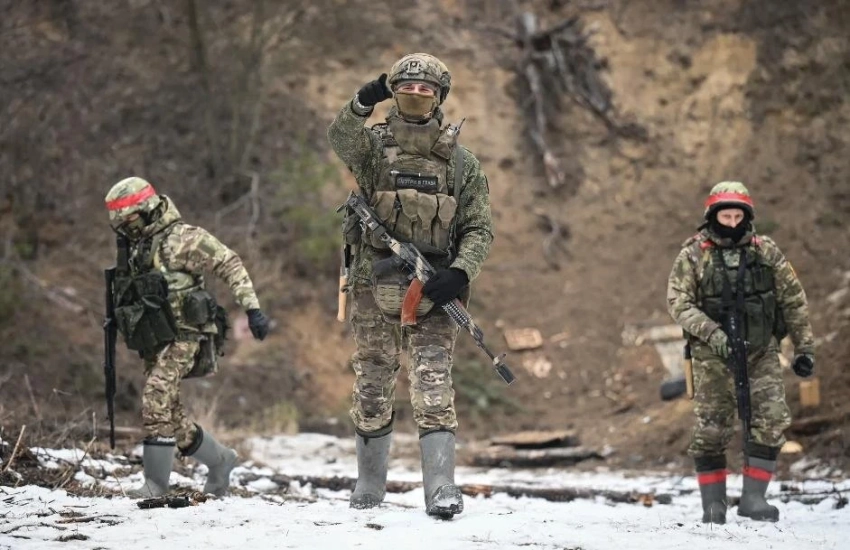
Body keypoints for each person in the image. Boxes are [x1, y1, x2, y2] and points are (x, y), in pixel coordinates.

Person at [327, 53, 494, 518]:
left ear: (439, 97)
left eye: (426, 89)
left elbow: (479, 228)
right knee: (372, 382)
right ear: (394, 93)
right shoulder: (371, 150)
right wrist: (361, 103)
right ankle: (369, 485)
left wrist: (460, 272)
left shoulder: (461, 164)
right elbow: (340, 137)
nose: (416, 94)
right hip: (372, 283)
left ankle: (441, 487)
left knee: (433, 383)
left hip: (435, 289)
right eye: (407, 87)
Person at [104, 176, 270, 498]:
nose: (127, 229)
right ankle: (221, 461)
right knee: (172, 415)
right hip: (155, 337)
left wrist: (252, 309)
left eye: (130, 221)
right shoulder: (136, 247)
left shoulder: (185, 239)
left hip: (186, 334)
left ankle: (156, 484)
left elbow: (229, 263)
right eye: (121, 225)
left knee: (155, 396)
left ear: (147, 209)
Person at [667, 181, 815, 523]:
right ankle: (713, 504)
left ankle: (754, 499)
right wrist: (711, 332)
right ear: (713, 216)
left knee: (770, 420)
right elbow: (678, 303)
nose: (732, 223)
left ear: (747, 216)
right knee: (712, 426)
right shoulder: (693, 254)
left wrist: (804, 348)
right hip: (712, 354)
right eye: (726, 216)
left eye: (738, 216)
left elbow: (794, 301)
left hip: (760, 350)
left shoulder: (766, 252)